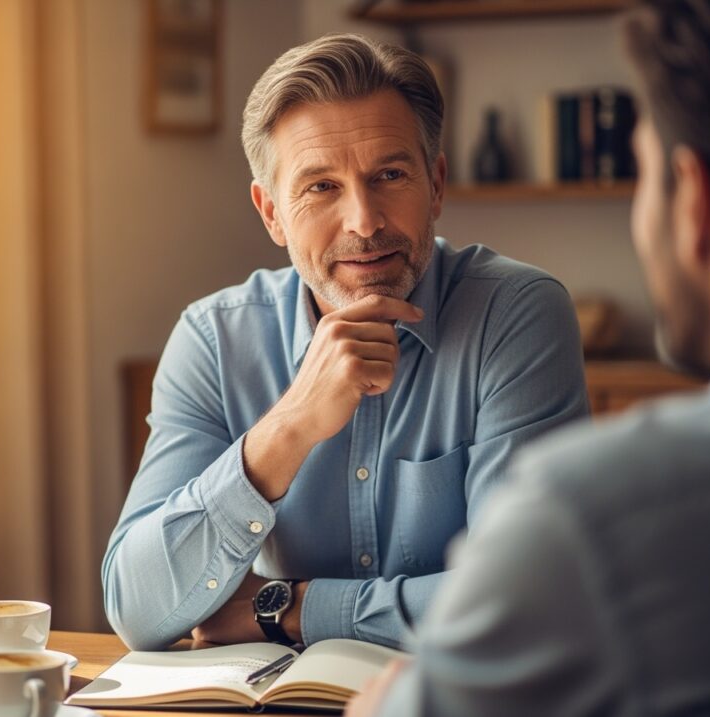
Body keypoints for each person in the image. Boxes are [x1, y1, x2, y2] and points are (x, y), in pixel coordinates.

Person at [346, 1, 710, 714]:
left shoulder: (595, 517)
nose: (364, 220)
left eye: (644, 171)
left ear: (695, 207)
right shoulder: (220, 330)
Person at [102, 33, 588, 652]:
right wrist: (289, 427)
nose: (364, 220)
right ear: (272, 212)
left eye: (390, 174)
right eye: (320, 187)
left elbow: (528, 603)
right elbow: (137, 608)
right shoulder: (214, 337)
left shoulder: (516, 315)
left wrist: (289, 608)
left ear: (436, 184)